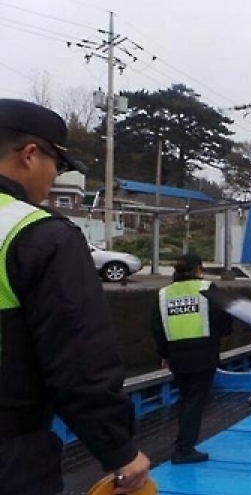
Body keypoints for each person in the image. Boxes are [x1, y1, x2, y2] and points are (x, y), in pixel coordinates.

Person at [0, 98, 150, 495]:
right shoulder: (37, 234)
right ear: (30, 155)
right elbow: (79, 357)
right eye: (59, 166)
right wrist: (119, 449)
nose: (55, 178)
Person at [151, 253, 233, 464]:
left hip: (177, 356)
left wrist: (163, 355)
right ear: (198, 269)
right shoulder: (206, 288)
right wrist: (221, 334)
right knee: (195, 401)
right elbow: (224, 317)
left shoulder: (163, 294)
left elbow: (157, 328)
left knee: (185, 399)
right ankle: (184, 449)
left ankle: (184, 442)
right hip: (203, 354)